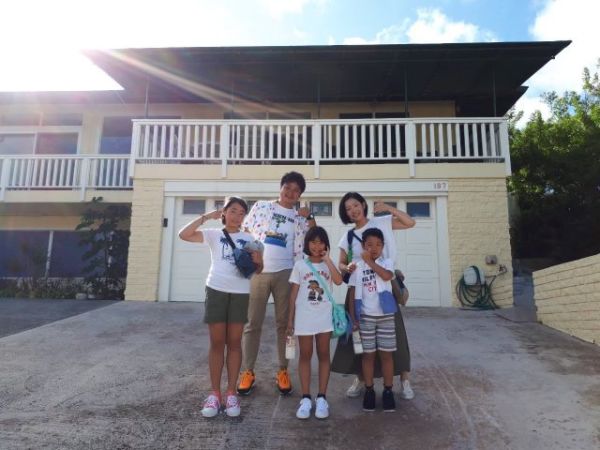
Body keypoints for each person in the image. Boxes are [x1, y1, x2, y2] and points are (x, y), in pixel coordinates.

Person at [179, 196, 263, 418]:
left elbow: (259, 270)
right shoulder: (214, 234)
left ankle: (231, 393)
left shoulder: (250, 238)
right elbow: (183, 234)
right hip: (216, 290)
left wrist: (258, 260)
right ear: (224, 212)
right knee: (217, 343)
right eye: (233, 211)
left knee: (234, 343)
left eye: (241, 213)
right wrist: (207, 217)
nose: (237, 216)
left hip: (240, 293)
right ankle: (215, 394)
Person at [331, 192, 416, 400]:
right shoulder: (348, 236)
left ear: (363, 204)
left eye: (355, 205)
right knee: (359, 338)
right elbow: (341, 263)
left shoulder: (382, 222)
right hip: (360, 290)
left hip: (385, 287)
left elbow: (410, 222)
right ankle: (361, 379)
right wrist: (347, 267)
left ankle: (404, 379)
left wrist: (388, 207)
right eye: (348, 209)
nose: (353, 210)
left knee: (396, 336)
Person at [238, 171, 316, 396]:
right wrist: (251, 256)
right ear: (281, 188)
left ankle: (283, 370)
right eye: (287, 187)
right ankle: (247, 372)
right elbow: (245, 231)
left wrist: (309, 217)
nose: (291, 193)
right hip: (259, 272)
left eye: (296, 191)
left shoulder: (300, 217)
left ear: (300, 195)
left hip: (286, 273)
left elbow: (314, 238)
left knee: (285, 325)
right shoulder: (262, 206)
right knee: (252, 323)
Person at [286, 226, 343, 419]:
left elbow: (338, 281)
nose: (316, 246)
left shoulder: (328, 265)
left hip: (324, 317)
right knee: (305, 355)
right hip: (304, 317)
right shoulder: (300, 266)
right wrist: (290, 320)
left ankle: (322, 398)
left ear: (326, 245)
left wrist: (328, 260)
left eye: (320, 242)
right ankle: (305, 398)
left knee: (324, 354)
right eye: (313, 242)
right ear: (307, 244)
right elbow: (293, 295)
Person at [348, 228, 398, 411]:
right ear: (363, 246)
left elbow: (386, 276)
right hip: (366, 317)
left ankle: (388, 391)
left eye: (378, 244)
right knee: (368, 355)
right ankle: (369, 390)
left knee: (386, 355)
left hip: (386, 316)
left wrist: (370, 262)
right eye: (369, 244)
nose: (374, 248)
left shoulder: (387, 262)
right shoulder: (357, 267)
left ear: (383, 246)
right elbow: (353, 293)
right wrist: (353, 318)